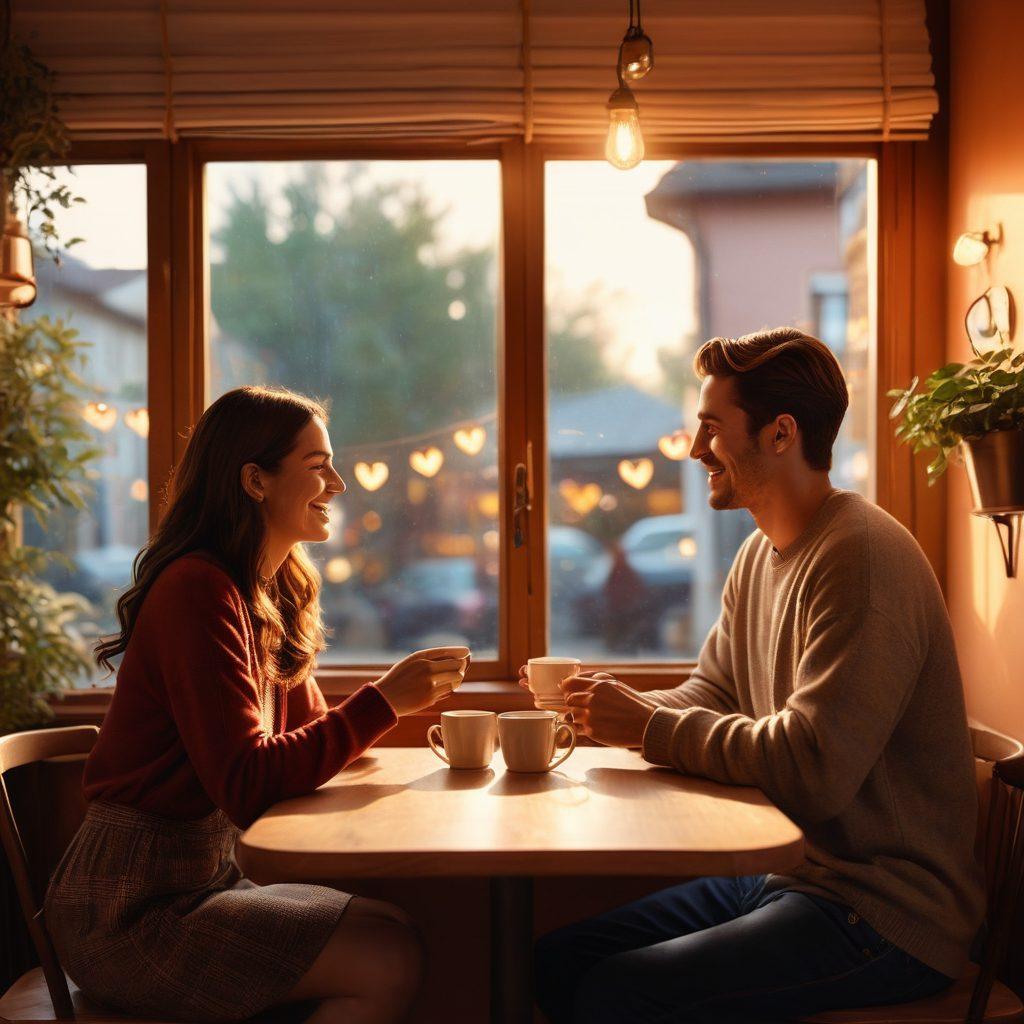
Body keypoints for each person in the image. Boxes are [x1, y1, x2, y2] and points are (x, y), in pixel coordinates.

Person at [529, 328, 986, 1023]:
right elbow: (712, 694)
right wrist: (607, 714)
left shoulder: (859, 557)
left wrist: (651, 726)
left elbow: (815, 766)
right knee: (557, 962)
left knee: (618, 993)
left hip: (883, 915)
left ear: (780, 435)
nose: (694, 450)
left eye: (711, 428)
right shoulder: (759, 556)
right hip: (792, 878)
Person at [45, 386, 468, 1024]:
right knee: (389, 958)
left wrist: (376, 708)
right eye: (318, 466)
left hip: (202, 880)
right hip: (128, 908)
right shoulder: (196, 589)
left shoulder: (262, 591)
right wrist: (384, 702)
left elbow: (301, 741)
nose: (340, 485)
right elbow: (247, 783)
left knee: (398, 925)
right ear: (255, 480)